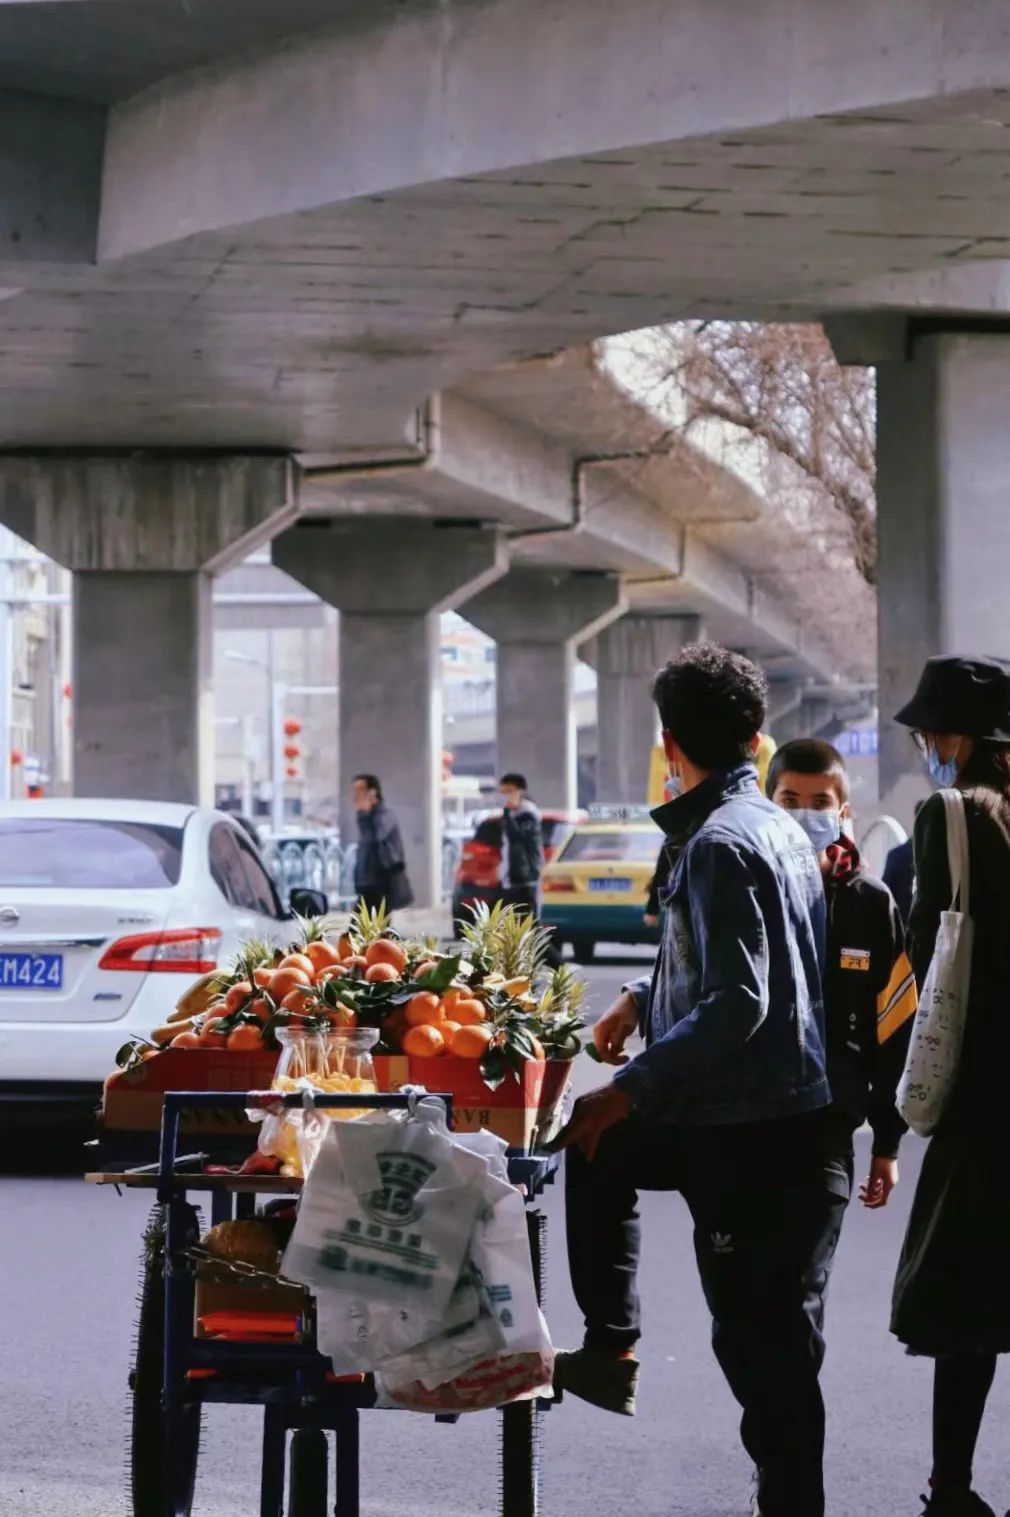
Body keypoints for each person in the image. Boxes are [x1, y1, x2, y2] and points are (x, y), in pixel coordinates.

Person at [556, 643, 834, 1517]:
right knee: (600, 1146)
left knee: (767, 1358)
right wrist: (641, 997)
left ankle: (614, 1344)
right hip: (763, 1114)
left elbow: (739, 1002)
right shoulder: (779, 828)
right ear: (757, 737)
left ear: (670, 742)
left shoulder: (716, 843)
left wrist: (627, 1085)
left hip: (757, 1131)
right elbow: (754, 966)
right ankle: (612, 1346)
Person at [889, 655, 1010, 1517]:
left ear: (959, 739)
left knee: (968, 1310)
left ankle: (952, 1488)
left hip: (985, 1093)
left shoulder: (951, 815)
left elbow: (930, 941)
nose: (927, 744)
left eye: (931, 732)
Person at [766, 738, 917, 1212]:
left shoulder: (870, 903)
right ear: (765, 805)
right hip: (744, 1125)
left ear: (842, 812)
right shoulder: (742, 887)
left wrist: (887, 1144)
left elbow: (896, 1029)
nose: (804, 814)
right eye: (789, 801)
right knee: (740, 1284)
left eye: (819, 803)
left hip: (830, 1128)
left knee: (806, 1284)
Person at [351, 773, 413, 915]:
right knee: (367, 926)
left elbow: (375, 836)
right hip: (367, 881)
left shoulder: (385, 814)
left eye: (360, 791)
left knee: (367, 925)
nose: (356, 796)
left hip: (381, 880)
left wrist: (364, 813)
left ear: (372, 793)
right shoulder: (366, 816)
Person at [498, 771, 545, 920]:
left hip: (527, 876)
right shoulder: (515, 815)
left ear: (519, 792)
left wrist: (507, 815)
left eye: (509, 792)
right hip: (514, 875)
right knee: (514, 919)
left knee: (528, 919)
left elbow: (516, 835)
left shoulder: (529, 815)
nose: (506, 797)